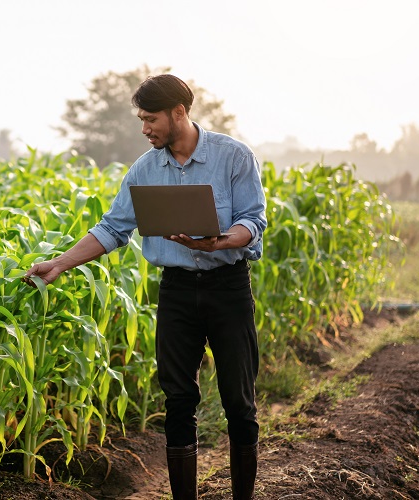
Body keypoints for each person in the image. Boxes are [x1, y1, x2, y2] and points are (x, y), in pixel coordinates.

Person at [24, 74, 267, 500]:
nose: (144, 128)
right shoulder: (145, 168)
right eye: (140, 119)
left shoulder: (233, 157)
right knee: (177, 402)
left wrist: (219, 241)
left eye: (150, 118)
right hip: (175, 292)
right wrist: (60, 263)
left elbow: (253, 221)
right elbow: (113, 228)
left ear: (179, 112)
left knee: (239, 406)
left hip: (228, 288)